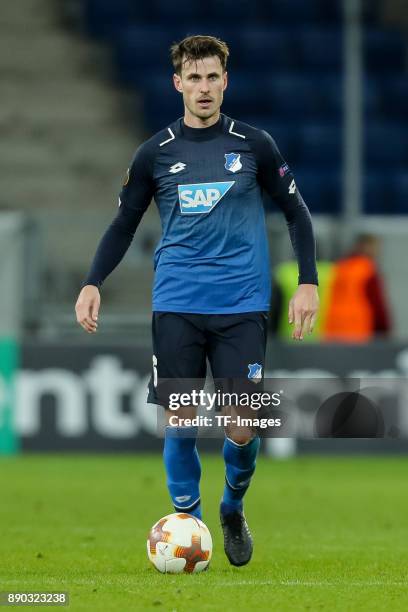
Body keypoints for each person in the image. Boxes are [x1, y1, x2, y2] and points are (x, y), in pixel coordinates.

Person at [75, 35, 319, 567]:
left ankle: (232, 507)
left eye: (213, 77)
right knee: (180, 424)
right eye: (195, 77)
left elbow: (296, 213)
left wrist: (307, 281)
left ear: (225, 81)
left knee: (241, 426)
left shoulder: (255, 145)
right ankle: (191, 526)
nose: (204, 88)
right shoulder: (155, 153)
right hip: (178, 303)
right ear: (178, 83)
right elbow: (123, 223)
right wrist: (94, 281)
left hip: (242, 304)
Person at [323, 233, 392, 343]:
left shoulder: (340, 267)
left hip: (333, 326)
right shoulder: (368, 270)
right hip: (358, 328)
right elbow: (377, 304)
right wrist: (384, 330)